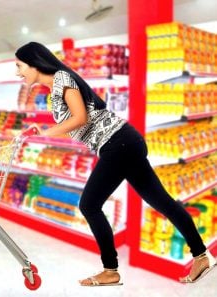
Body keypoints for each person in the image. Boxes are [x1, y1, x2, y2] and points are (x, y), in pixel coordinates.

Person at [15, 41, 216, 286]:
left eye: (20, 65)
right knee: (162, 202)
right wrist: (43, 130)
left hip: (118, 143)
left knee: (89, 205)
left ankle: (110, 270)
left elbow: (80, 117)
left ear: (34, 63)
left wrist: (47, 133)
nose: (18, 72)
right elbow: (78, 124)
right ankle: (201, 255)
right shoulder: (56, 86)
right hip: (123, 142)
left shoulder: (61, 78)